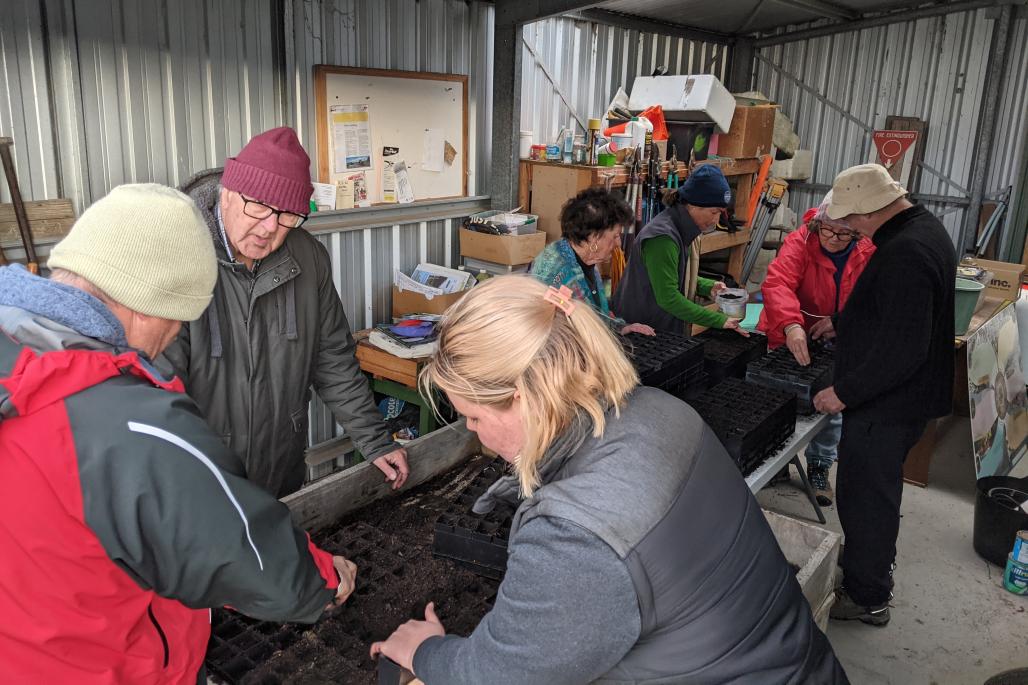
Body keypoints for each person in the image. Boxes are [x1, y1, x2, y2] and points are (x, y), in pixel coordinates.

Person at [370, 275, 848, 684]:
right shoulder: (661, 410)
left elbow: (498, 674)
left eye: (473, 417)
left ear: (522, 398)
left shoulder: (577, 536)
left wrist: (426, 653)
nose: (474, 435)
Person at [0, 184, 357, 683]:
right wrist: (325, 581)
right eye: (177, 321)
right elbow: (250, 560)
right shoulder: (129, 425)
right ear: (147, 305)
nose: (168, 341)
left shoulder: (17, 358)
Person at [162, 127, 408, 498]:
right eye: (258, 207)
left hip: (280, 469)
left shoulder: (307, 258)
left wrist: (375, 440)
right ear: (227, 193)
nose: (269, 229)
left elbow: (333, 360)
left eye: (288, 216)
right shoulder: (173, 260)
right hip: (199, 481)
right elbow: (156, 391)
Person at [812, 164, 956, 626]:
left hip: (888, 406)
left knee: (866, 499)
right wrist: (844, 320)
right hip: (902, 400)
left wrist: (844, 392)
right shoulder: (922, 228)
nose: (849, 227)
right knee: (875, 492)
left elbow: (902, 349)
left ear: (872, 209)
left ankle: (868, 596)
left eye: (852, 219)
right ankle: (867, 574)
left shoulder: (907, 253)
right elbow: (896, 312)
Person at [758, 192, 875, 505]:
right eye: (828, 230)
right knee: (777, 397)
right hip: (790, 329)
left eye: (844, 232)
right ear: (818, 223)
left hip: (838, 337)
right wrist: (791, 324)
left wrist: (843, 321)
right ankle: (776, 463)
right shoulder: (800, 241)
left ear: (857, 231)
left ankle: (820, 466)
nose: (834, 238)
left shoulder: (868, 251)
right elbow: (778, 282)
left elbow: (874, 297)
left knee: (829, 404)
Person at [611, 164, 748, 336]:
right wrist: (719, 320)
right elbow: (669, 298)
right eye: (714, 212)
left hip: (658, 326)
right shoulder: (662, 238)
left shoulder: (682, 229)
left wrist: (707, 286)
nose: (716, 220)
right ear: (693, 205)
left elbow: (670, 274)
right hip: (641, 331)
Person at [531, 187, 654, 336]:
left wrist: (621, 327)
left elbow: (596, 315)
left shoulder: (585, 260)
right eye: (615, 236)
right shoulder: (559, 273)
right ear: (595, 237)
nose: (618, 244)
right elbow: (568, 334)